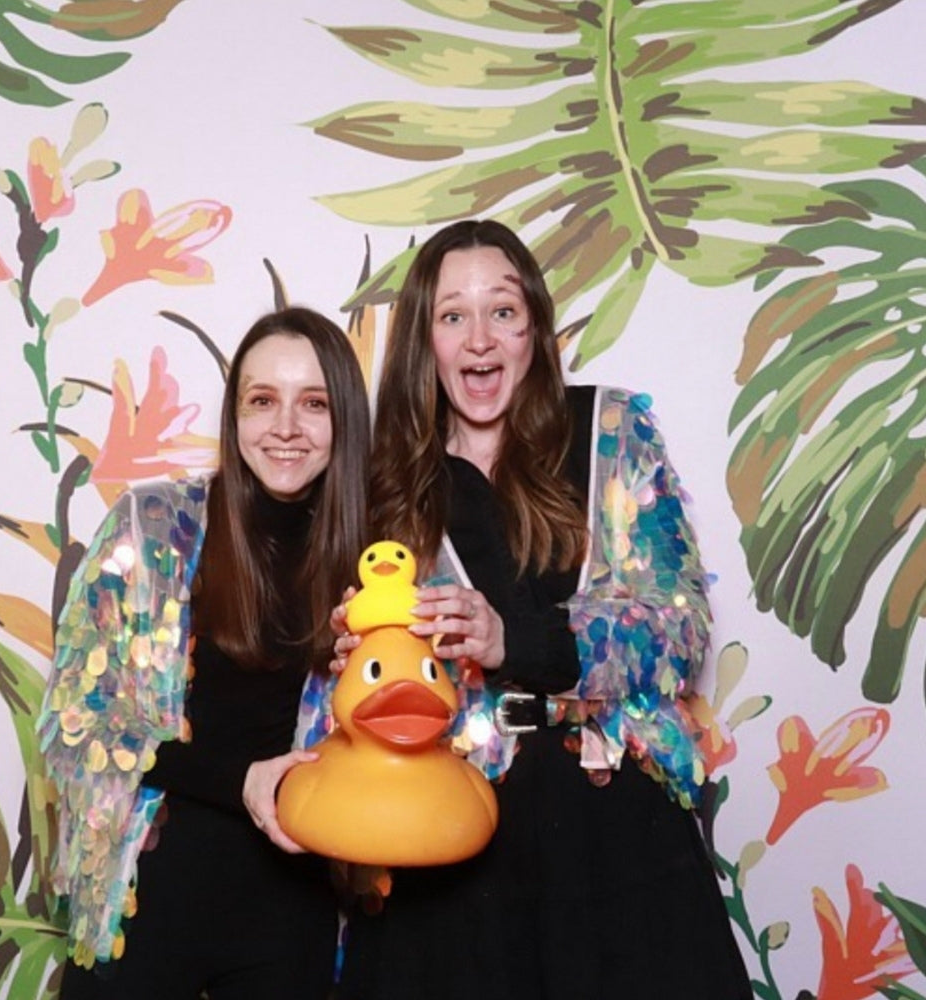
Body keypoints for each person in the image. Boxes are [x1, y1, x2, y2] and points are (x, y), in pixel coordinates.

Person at [309, 220, 752, 1000]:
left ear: (535, 328)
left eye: (502, 311)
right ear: (425, 339)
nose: (479, 338)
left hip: (610, 832)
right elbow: (351, 683)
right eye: (453, 316)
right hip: (450, 845)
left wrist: (516, 637)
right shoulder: (386, 483)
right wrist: (355, 668)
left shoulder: (609, 431)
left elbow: (679, 630)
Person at [37, 307, 370, 1000]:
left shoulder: (377, 563)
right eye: (262, 400)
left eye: (313, 403)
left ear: (345, 419)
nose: (285, 425)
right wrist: (241, 781)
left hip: (294, 911)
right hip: (150, 893)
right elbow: (76, 721)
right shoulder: (153, 525)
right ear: (235, 415)